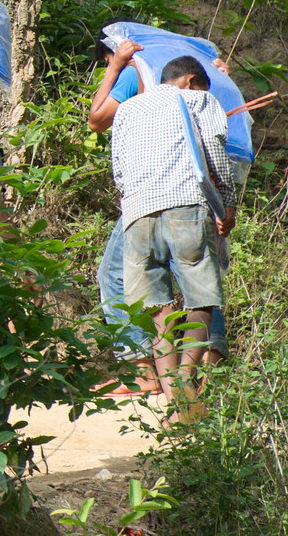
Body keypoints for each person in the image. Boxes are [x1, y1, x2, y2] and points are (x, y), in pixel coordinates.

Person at [91, 39, 231, 380]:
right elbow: (214, 148)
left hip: (140, 205)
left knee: (147, 296)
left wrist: (133, 198)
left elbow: (102, 132)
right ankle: (201, 378)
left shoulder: (131, 81)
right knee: (201, 289)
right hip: (188, 198)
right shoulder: (200, 96)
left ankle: (149, 374)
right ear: (190, 80)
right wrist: (226, 204)